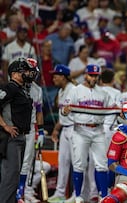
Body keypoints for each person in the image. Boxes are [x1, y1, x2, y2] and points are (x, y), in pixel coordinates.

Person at [62, 64, 116, 203]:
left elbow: (113, 108)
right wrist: (66, 111)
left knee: (102, 164)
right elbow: (64, 109)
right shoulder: (75, 90)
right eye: (91, 75)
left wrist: (109, 123)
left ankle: (103, 195)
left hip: (98, 129)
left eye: (96, 76)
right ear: (86, 75)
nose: (93, 78)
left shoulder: (103, 93)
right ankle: (78, 196)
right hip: (81, 129)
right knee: (79, 163)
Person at [0, 58, 34, 203]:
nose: (27, 73)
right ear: (14, 74)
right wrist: (4, 125)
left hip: (21, 136)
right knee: (10, 176)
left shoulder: (22, 89)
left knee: (14, 175)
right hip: (11, 138)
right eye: (24, 71)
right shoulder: (10, 87)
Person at [16, 58, 44, 203]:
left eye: (33, 72)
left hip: (31, 127)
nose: (31, 74)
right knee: (14, 161)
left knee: (26, 162)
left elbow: (39, 111)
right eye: (28, 71)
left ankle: (20, 192)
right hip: (15, 127)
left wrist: (42, 131)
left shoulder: (37, 90)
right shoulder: (15, 86)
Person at [47, 64, 76, 202]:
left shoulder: (73, 90)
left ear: (63, 77)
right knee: (62, 161)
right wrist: (56, 129)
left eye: (56, 75)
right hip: (65, 128)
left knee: (77, 163)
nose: (53, 78)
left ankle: (77, 193)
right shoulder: (61, 91)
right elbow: (62, 115)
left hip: (75, 129)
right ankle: (59, 193)